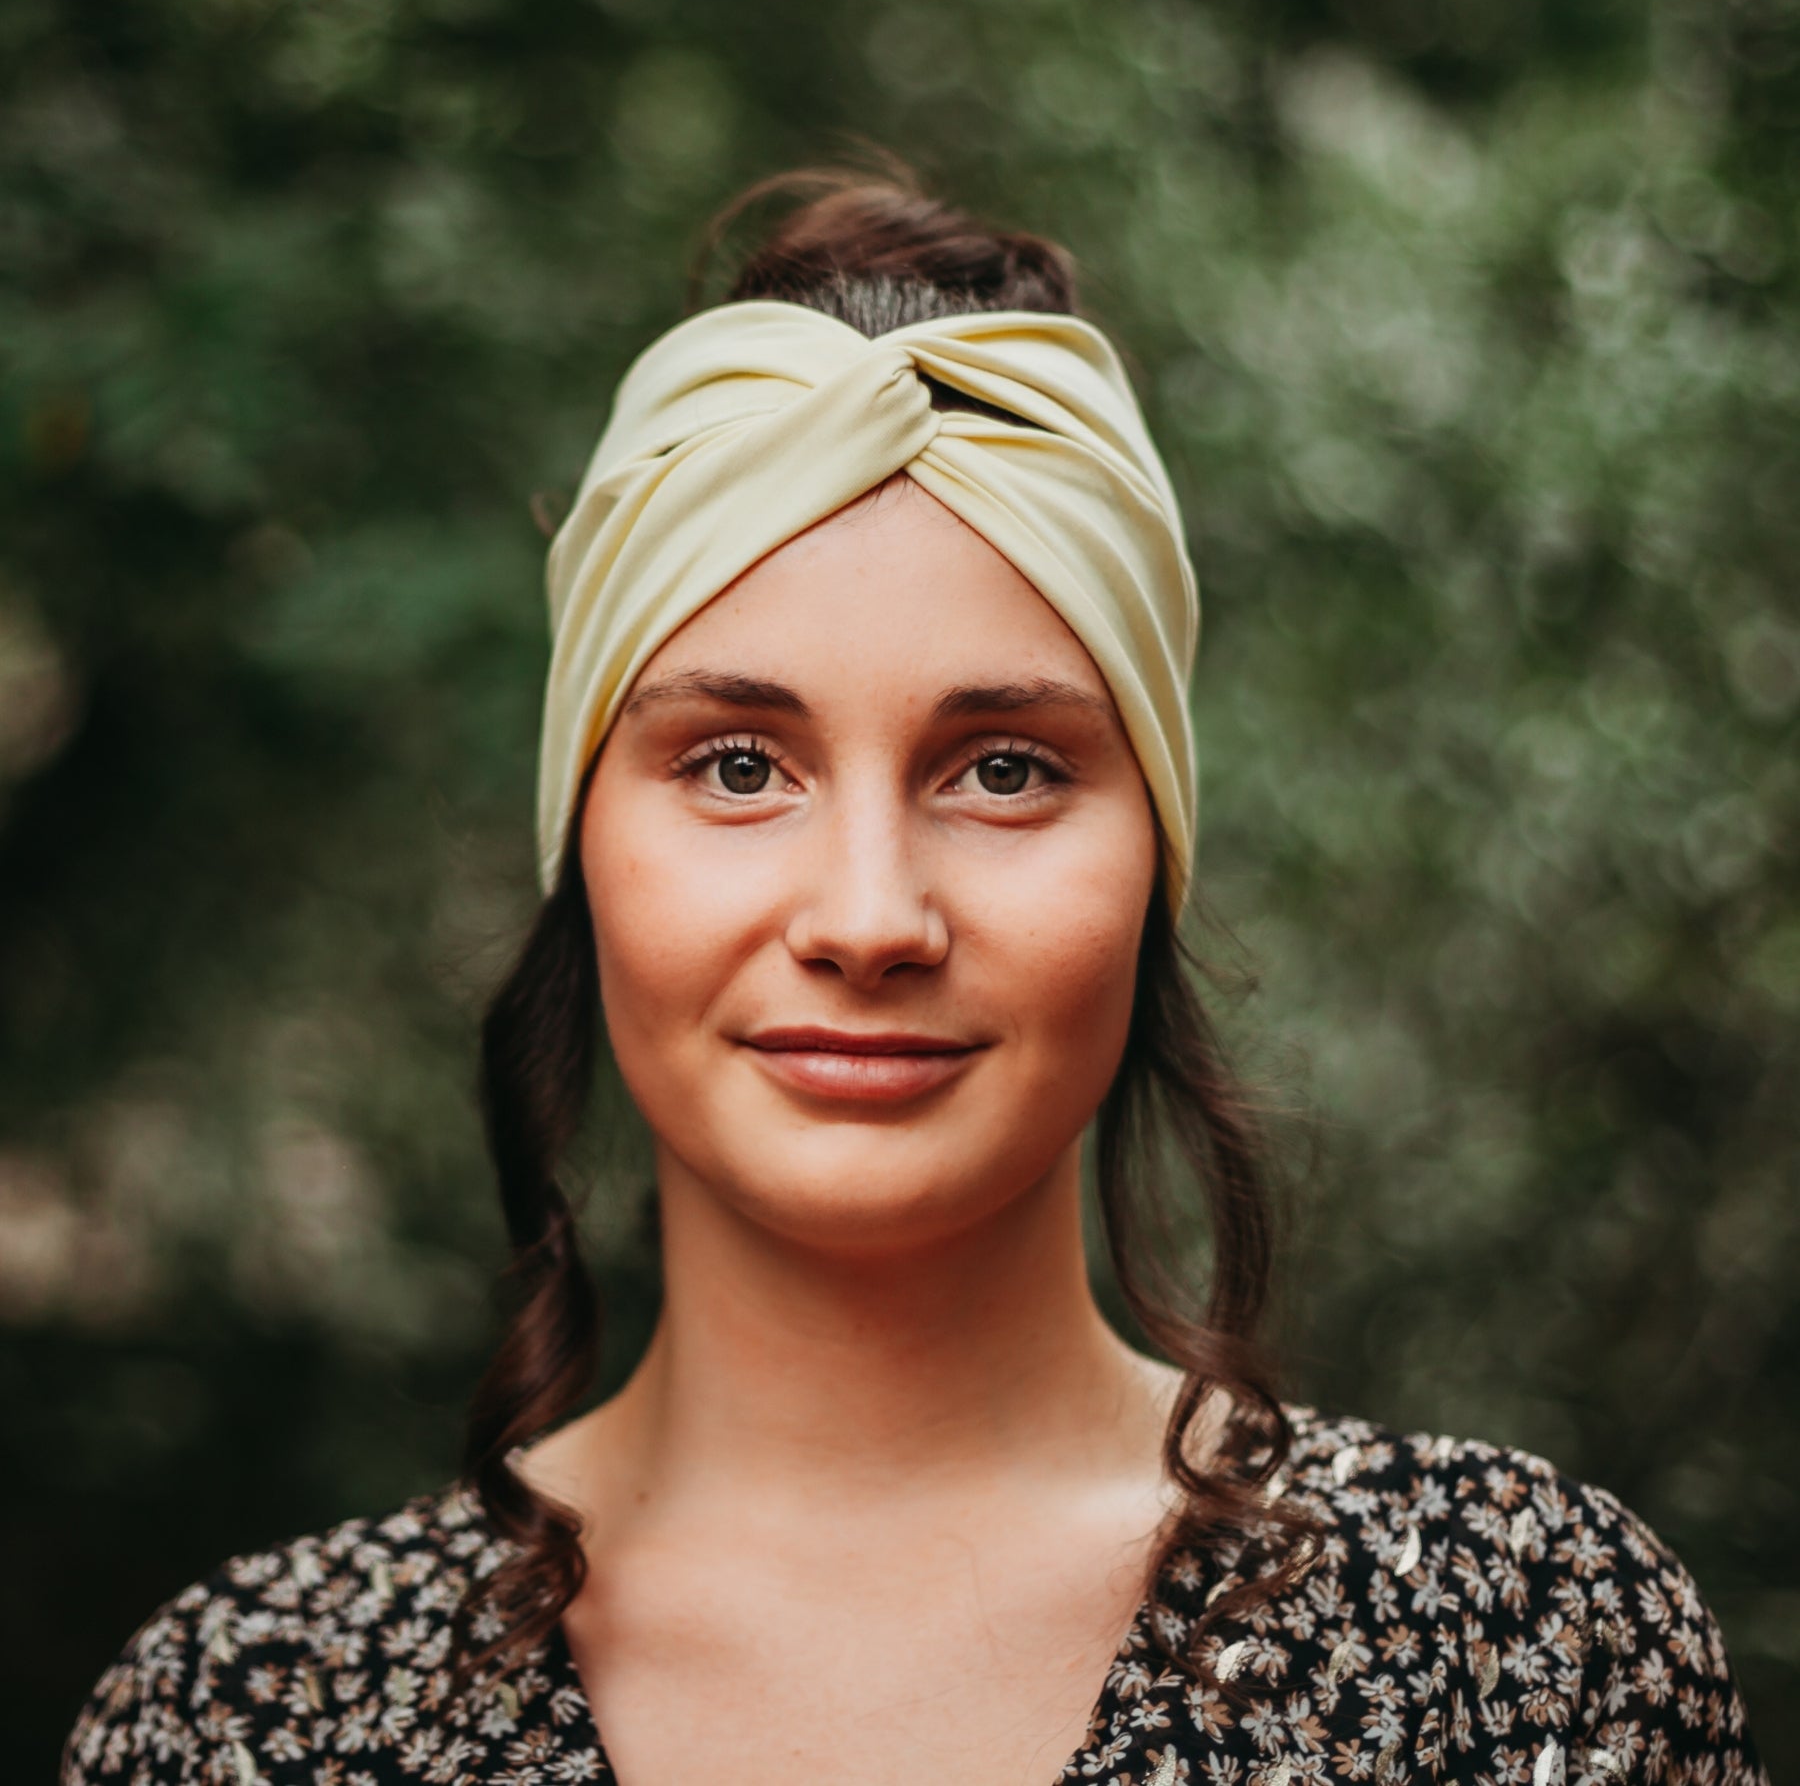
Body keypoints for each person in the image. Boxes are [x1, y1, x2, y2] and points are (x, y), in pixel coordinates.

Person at [63, 172, 1766, 1786]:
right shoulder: (248, 1716)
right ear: (581, 840)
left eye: (1006, 770)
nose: (870, 917)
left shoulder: (1516, 1646)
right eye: (738, 765)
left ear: (1157, 853)